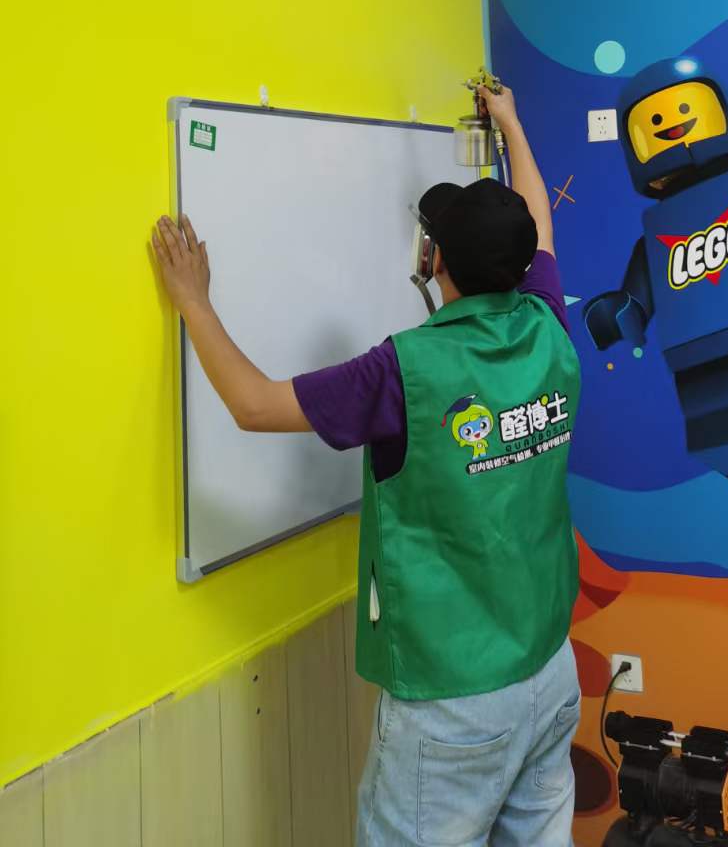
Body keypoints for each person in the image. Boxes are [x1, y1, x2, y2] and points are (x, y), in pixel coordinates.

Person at [152, 85, 582, 847]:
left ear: (434, 259)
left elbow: (254, 405)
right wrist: (513, 123)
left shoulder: (404, 371)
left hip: (454, 700)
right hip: (550, 670)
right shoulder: (548, 322)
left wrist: (194, 301)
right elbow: (540, 220)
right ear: (521, 267)